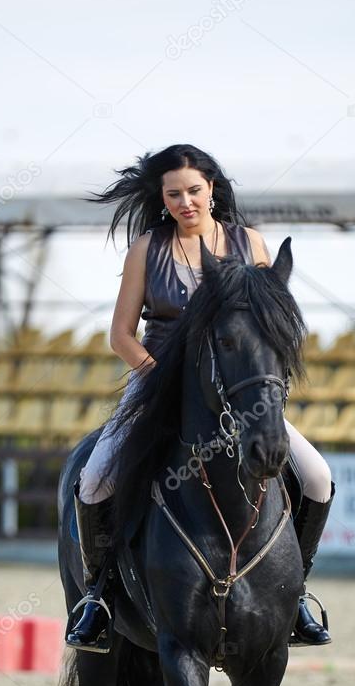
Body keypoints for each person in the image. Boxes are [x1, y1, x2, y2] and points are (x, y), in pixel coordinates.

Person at [65, 144, 335, 653]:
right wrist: (160, 375)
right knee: (96, 478)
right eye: (174, 194)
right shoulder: (147, 247)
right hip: (157, 382)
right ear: (162, 198)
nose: (185, 201)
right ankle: (99, 598)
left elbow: (266, 320)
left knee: (317, 476)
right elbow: (121, 335)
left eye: (194, 190)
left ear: (212, 188)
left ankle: (294, 595)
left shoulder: (249, 241)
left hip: (235, 386)